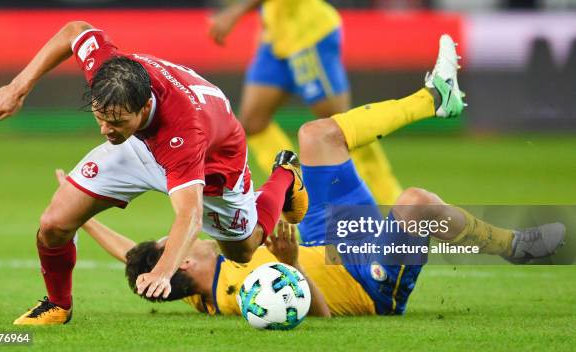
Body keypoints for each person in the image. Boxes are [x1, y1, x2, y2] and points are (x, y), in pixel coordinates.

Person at [78, 34, 564, 317]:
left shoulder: (186, 278)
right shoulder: (231, 295)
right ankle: (515, 247)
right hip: (362, 281)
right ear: (180, 264)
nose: (178, 237)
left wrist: (79, 214)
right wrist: (288, 267)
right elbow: (316, 317)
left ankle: (436, 98)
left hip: (319, 235)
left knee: (316, 136)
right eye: (170, 242)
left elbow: (136, 259)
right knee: (416, 202)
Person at [0, 21, 308, 325]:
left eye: (115, 122)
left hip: (214, 160)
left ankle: (284, 175)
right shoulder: (110, 75)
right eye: (99, 118)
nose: (105, 130)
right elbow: (74, 30)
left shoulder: (183, 132)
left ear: (145, 106)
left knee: (241, 250)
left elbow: (189, 215)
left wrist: (163, 271)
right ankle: (59, 305)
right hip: (137, 144)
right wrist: (17, 89)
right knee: (54, 224)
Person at [209, 0, 403, 205]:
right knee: (253, 123)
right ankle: (298, 191)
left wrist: (233, 13)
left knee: (339, 126)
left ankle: (390, 197)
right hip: (276, 38)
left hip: (309, 33)